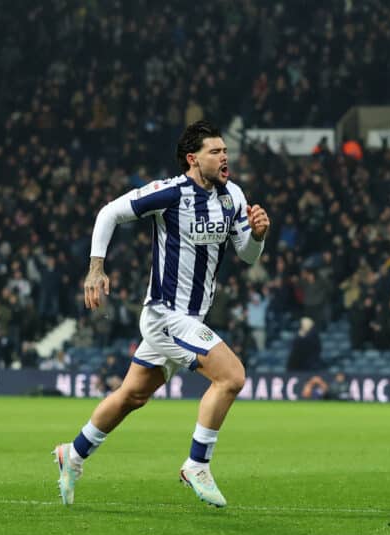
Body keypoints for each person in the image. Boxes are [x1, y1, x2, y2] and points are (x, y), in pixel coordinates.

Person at [53, 120, 270, 508]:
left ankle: (73, 453)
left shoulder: (232, 195)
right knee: (232, 377)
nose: (224, 157)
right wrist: (96, 267)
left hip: (190, 319)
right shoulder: (169, 192)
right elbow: (108, 214)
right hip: (166, 315)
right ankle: (196, 465)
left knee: (131, 396)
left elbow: (246, 255)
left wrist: (257, 235)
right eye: (215, 152)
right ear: (193, 159)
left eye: (225, 150)